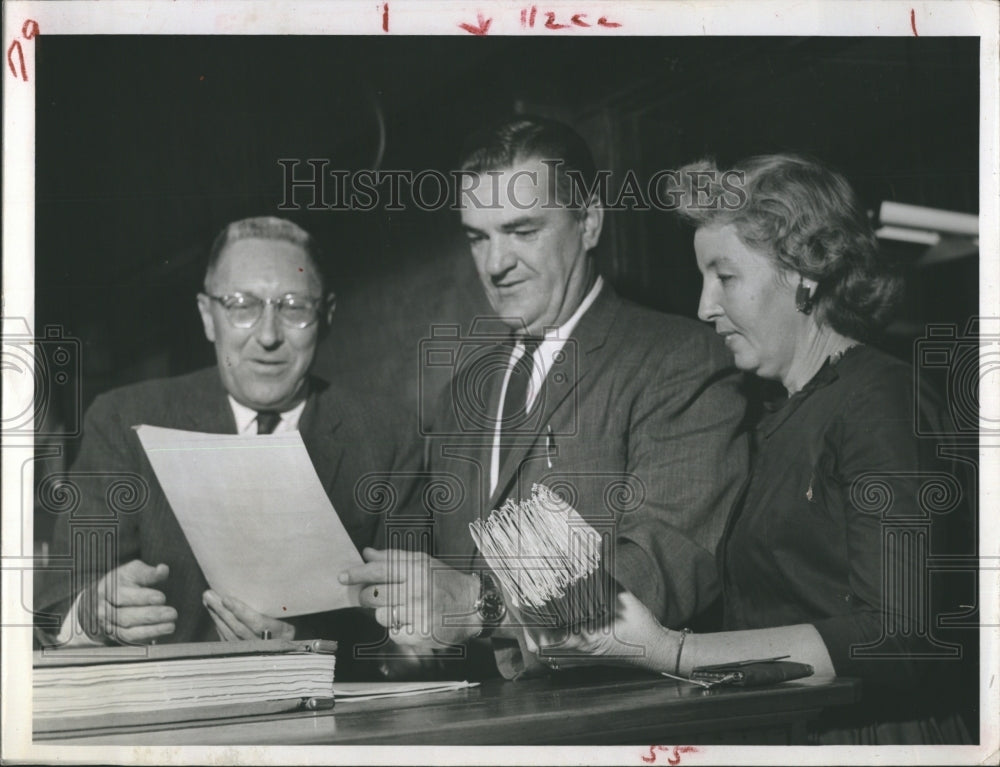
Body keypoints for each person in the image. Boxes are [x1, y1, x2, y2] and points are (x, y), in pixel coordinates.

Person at [520, 154, 976, 744]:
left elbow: (900, 635)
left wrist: (669, 649)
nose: (705, 306)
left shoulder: (879, 399)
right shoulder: (771, 418)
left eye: (725, 276)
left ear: (806, 274)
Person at [340, 116, 749, 679]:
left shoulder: (678, 360)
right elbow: (439, 588)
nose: (495, 264)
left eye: (522, 231)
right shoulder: (464, 391)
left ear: (589, 223)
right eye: (478, 237)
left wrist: (480, 608)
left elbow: (661, 572)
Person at [35, 216, 417, 676]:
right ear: (207, 316)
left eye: (294, 307)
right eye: (242, 306)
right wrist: (95, 613)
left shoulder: (389, 436)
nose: (269, 335)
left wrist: (310, 650)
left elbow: (416, 638)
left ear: (327, 315)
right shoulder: (123, 421)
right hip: (171, 727)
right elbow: (54, 610)